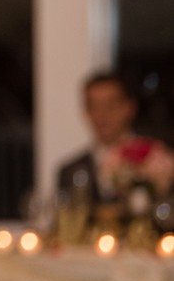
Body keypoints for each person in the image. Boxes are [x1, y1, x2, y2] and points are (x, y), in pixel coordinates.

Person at [57, 71, 138, 205]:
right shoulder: (69, 171)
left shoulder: (156, 163)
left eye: (110, 106)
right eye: (94, 107)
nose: (102, 115)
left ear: (129, 108)